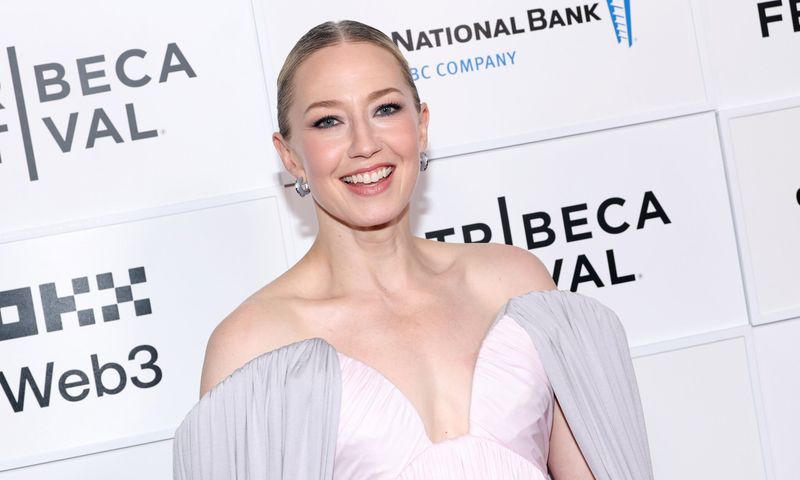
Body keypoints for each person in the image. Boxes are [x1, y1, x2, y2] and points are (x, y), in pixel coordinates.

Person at [173, 20, 653, 480]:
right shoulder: (253, 343)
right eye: (328, 121)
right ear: (291, 156)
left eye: (385, 109)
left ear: (421, 127)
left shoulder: (517, 287)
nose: (364, 144)